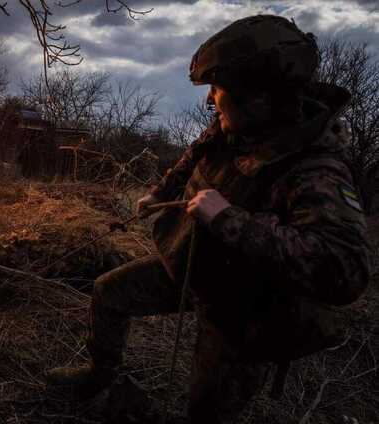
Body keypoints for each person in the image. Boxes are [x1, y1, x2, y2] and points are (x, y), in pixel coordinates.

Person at [45, 15, 370, 423]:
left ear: (259, 100)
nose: (210, 99)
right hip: (194, 266)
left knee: (206, 411)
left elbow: (345, 270)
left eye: (218, 90)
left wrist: (229, 219)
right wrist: (160, 193)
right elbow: (193, 157)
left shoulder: (316, 170)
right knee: (109, 292)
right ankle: (99, 374)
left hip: (245, 310)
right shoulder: (233, 128)